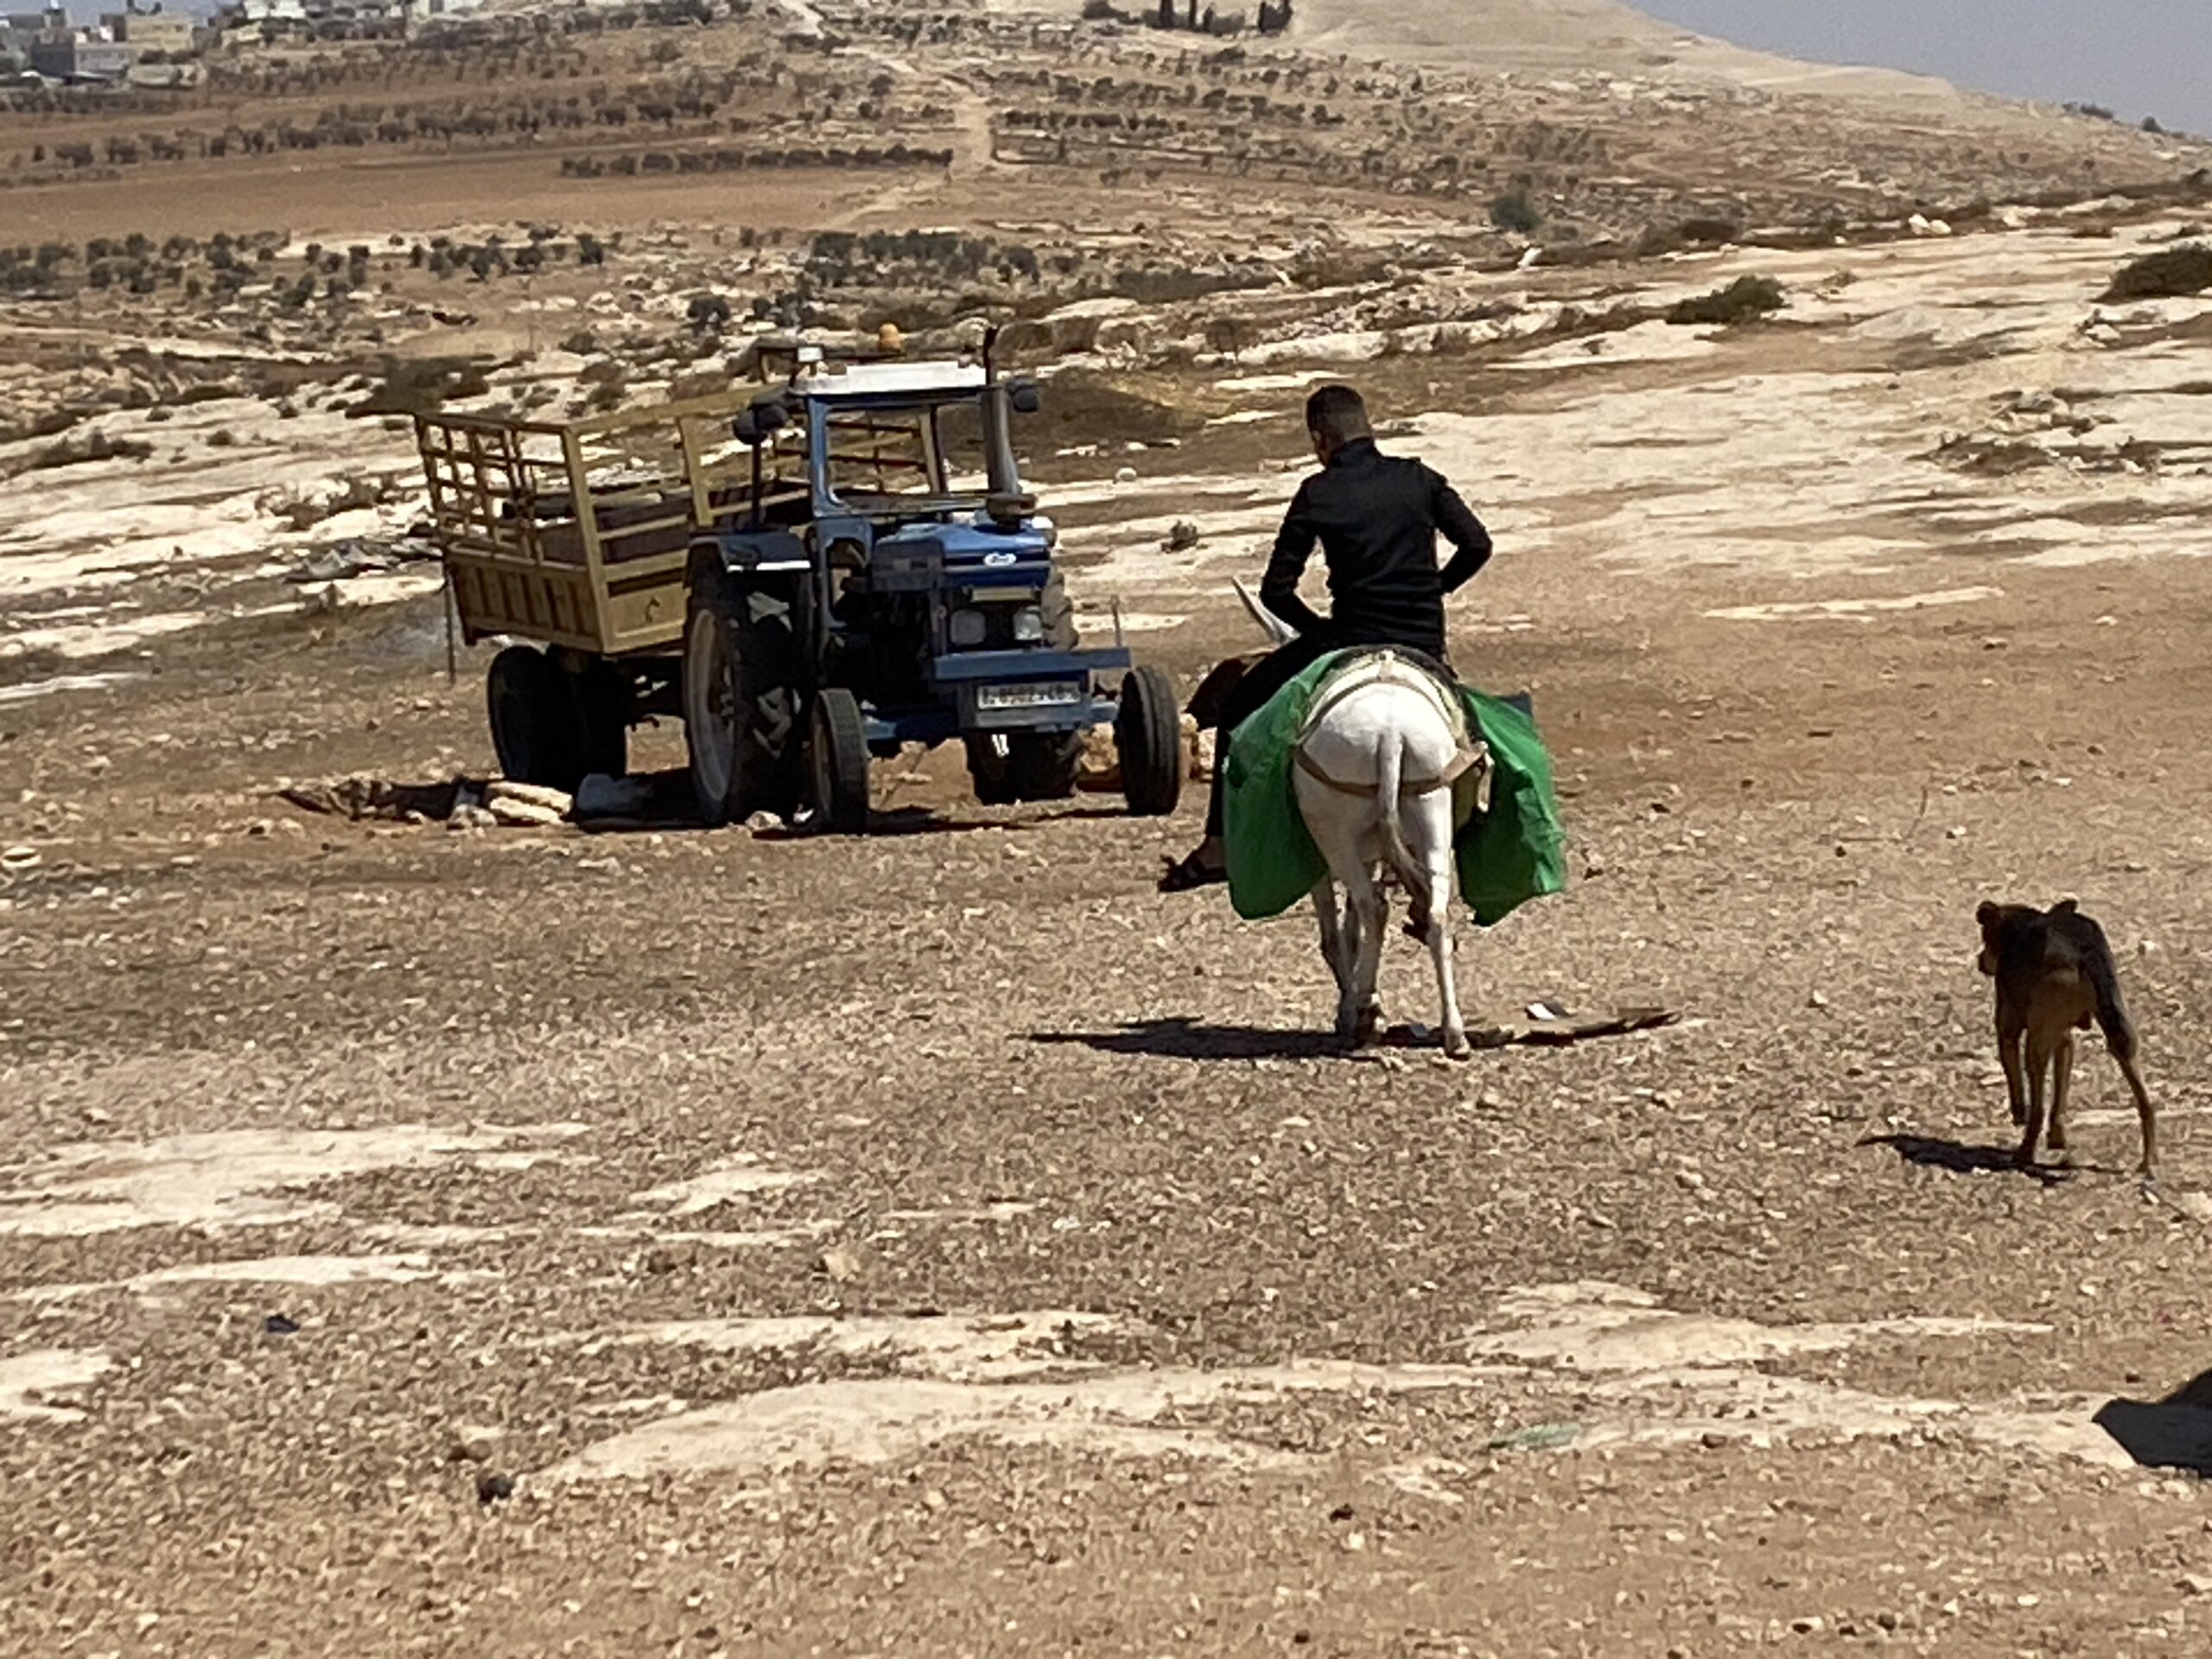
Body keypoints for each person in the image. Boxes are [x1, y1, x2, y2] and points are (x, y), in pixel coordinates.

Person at [1159, 383, 1495, 892]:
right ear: (1368, 427)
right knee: (1486, 733)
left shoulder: (1318, 492)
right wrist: (1434, 590)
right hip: (1421, 639)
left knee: (1238, 706)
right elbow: (1477, 544)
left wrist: (1318, 631)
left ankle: (1219, 847)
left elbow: (1276, 591)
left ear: (1320, 440)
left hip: (1348, 638)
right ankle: (1483, 832)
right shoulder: (1419, 478)